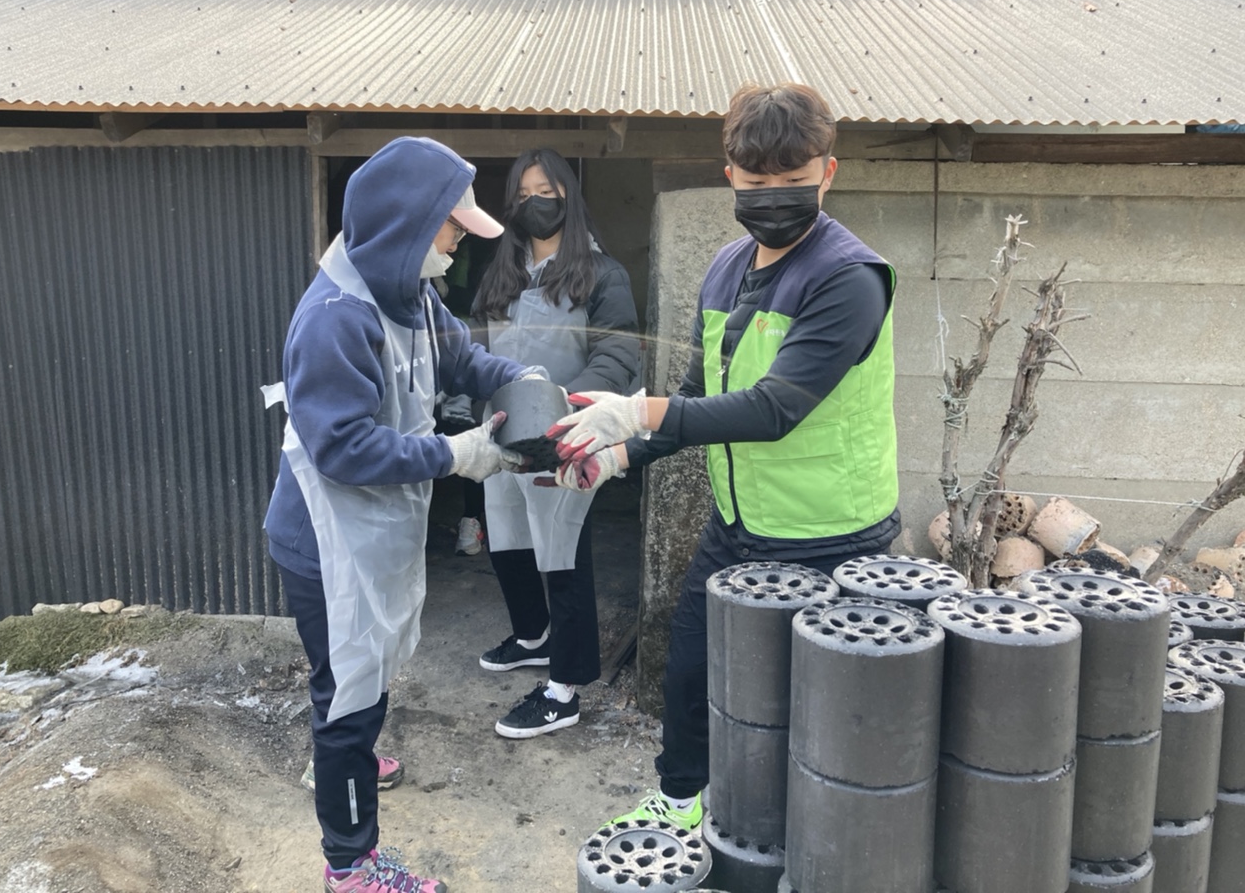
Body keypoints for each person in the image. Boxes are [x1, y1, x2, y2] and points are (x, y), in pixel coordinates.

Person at [547, 83, 900, 830]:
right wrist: (617, 457)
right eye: (758, 179)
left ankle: (803, 837)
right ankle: (680, 804)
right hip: (739, 526)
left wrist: (633, 410)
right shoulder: (726, 268)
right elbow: (696, 399)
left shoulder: (850, 279)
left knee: (817, 706)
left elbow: (773, 410)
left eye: (793, 179)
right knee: (690, 672)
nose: (774, 195)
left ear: (828, 174)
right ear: (730, 173)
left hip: (832, 536)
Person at [262, 136, 543, 893]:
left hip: (370, 526)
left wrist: (522, 380)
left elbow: (461, 360)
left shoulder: (408, 292)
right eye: (451, 226)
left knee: (367, 674)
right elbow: (342, 447)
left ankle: (349, 754)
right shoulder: (335, 319)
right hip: (325, 540)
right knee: (348, 696)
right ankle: (349, 864)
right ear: (408, 227)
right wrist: (454, 455)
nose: (458, 242)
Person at [470, 148, 641, 739]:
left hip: (565, 436)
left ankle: (564, 688)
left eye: (546, 191)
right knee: (508, 540)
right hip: (503, 431)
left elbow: (618, 349)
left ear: (568, 195)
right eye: (522, 195)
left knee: (562, 554)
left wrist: (574, 412)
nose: (534, 204)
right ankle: (532, 636)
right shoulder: (502, 272)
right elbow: (477, 346)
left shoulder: (601, 274)